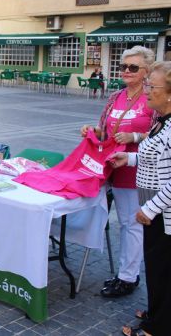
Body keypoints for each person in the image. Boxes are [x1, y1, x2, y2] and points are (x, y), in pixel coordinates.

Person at [80, 46, 156, 298]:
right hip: (109, 167)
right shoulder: (116, 97)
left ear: (146, 71)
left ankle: (128, 276)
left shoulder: (153, 98)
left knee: (130, 224)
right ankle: (123, 271)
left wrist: (135, 135)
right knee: (109, 219)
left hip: (137, 170)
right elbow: (106, 131)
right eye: (123, 66)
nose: (126, 71)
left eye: (133, 67)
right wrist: (93, 131)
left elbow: (162, 135)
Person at [110, 61, 171, 336]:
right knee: (157, 269)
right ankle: (157, 313)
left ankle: (155, 329)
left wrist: (150, 208)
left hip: (162, 213)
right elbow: (153, 157)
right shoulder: (162, 121)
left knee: (163, 271)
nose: (147, 91)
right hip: (154, 210)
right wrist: (130, 158)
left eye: (152, 86)